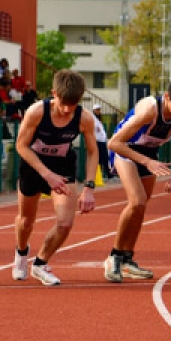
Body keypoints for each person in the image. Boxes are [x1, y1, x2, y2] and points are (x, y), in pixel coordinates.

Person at [103, 76, 171, 282]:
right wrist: (146, 162)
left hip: (150, 152)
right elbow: (114, 143)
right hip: (127, 149)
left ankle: (127, 258)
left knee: (141, 207)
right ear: (166, 97)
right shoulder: (149, 111)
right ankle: (113, 256)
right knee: (137, 201)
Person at [10, 70, 104, 287]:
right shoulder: (36, 112)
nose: (67, 109)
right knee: (26, 221)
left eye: (74, 104)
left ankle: (40, 263)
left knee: (65, 223)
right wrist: (46, 174)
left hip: (63, 166)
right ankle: (21, 254)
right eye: (63, 103)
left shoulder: (85, 118)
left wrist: (89, 187)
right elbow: (21, 146)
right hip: (34, 166)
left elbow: (92, 152)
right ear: (54, 94)